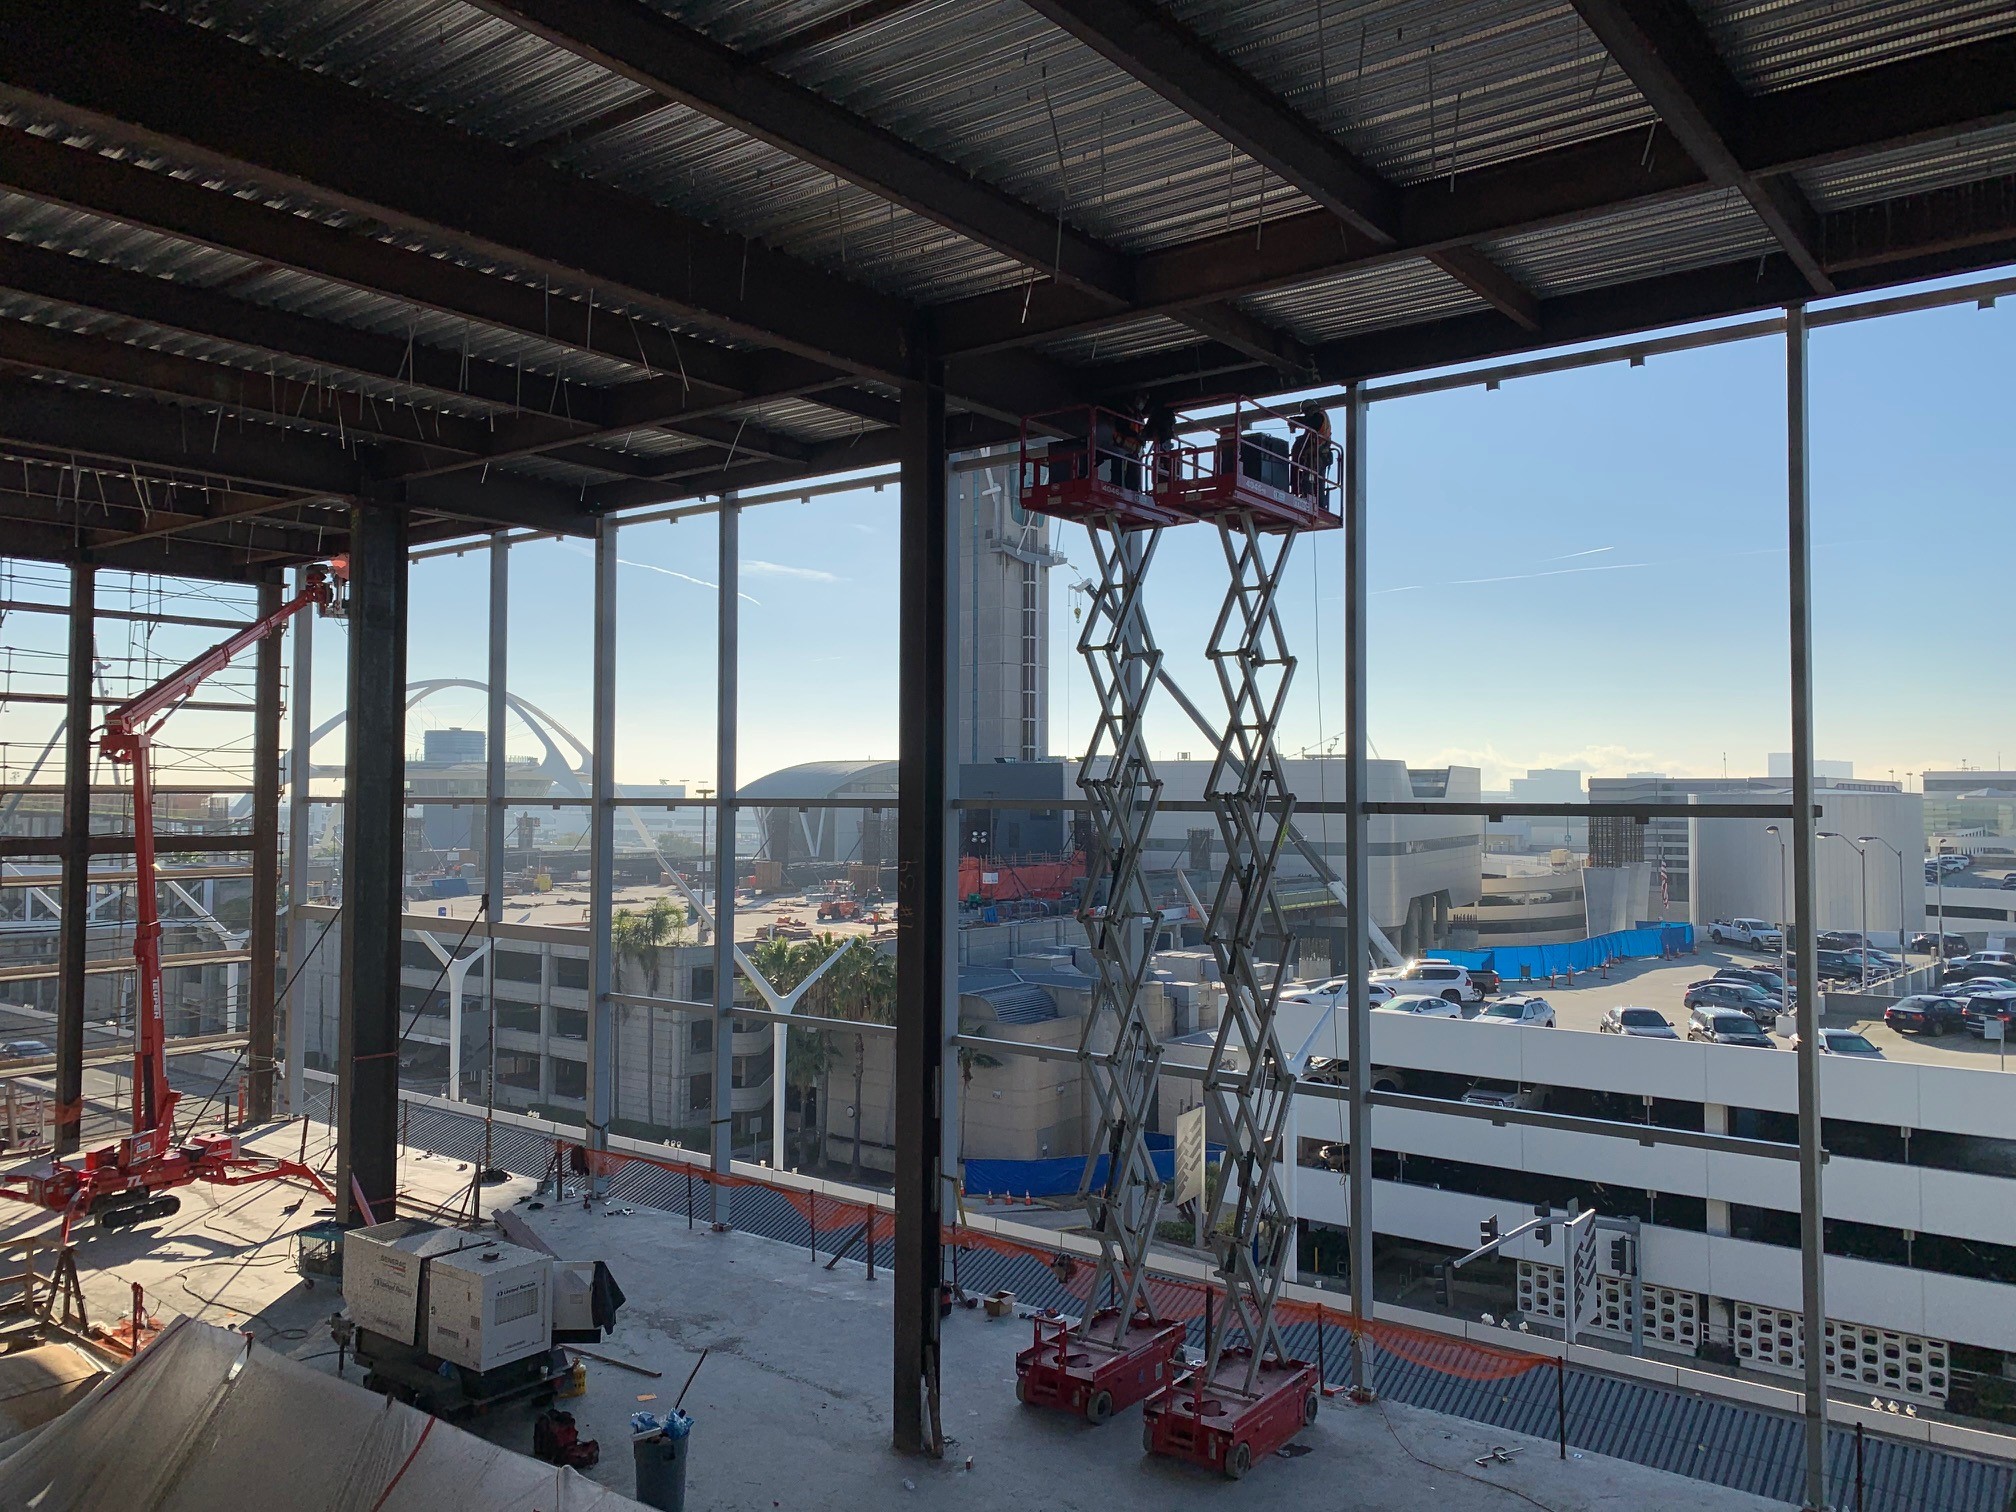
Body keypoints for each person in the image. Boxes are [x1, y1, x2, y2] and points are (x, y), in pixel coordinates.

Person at [1291, 400, 1334, 506]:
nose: (1306, 414)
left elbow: (1309, 423)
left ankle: (1310, 499)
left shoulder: (1319, 417)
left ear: (1311, 409)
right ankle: (1316, 502)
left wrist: (1295, 421)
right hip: (1320, 455)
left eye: (1306, 412)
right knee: (1317, 480)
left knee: (1309, 478)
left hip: (1317, 455)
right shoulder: (1320, 417)